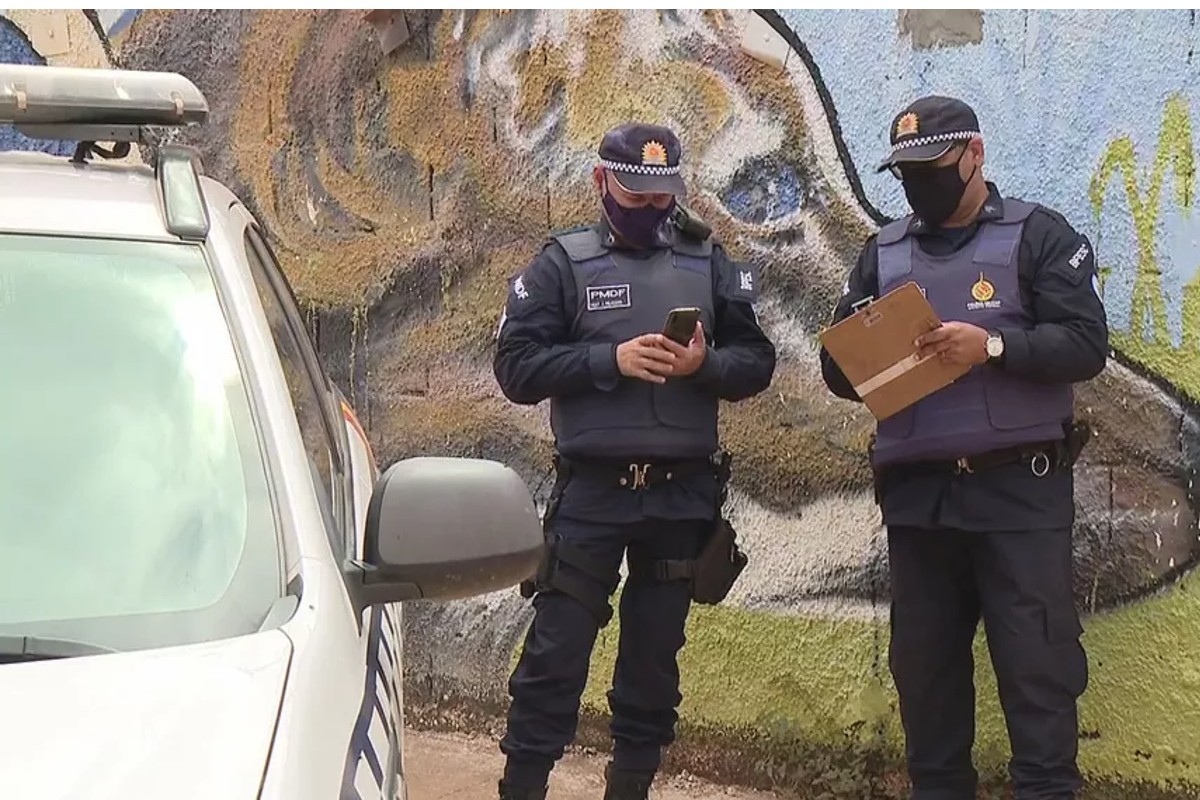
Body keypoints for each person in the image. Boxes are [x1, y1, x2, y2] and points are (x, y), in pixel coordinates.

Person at [819, 95, 1109, 799]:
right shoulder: (881, 254)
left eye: (933, 165)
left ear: (974, 154)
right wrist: (864, 332)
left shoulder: (1038, 236)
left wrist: (994, 347)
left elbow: (1085, 344)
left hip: (1019, 497)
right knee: (926, 684)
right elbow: (836, 372)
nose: (919, 182)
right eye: (905, 171)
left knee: (1038, 679)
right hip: (920, 506)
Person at [492, 122, 776, 800]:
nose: (651, 209)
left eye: (663, 196)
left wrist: (704, 364)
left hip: (681, 500)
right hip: (592, 495)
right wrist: (605, 360)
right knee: (555, 656)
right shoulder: (562, 263)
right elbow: (516, 368)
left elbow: (757, 363)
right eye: (635, 193)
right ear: (600, 182)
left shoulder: (707, 262)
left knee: (652, 668)